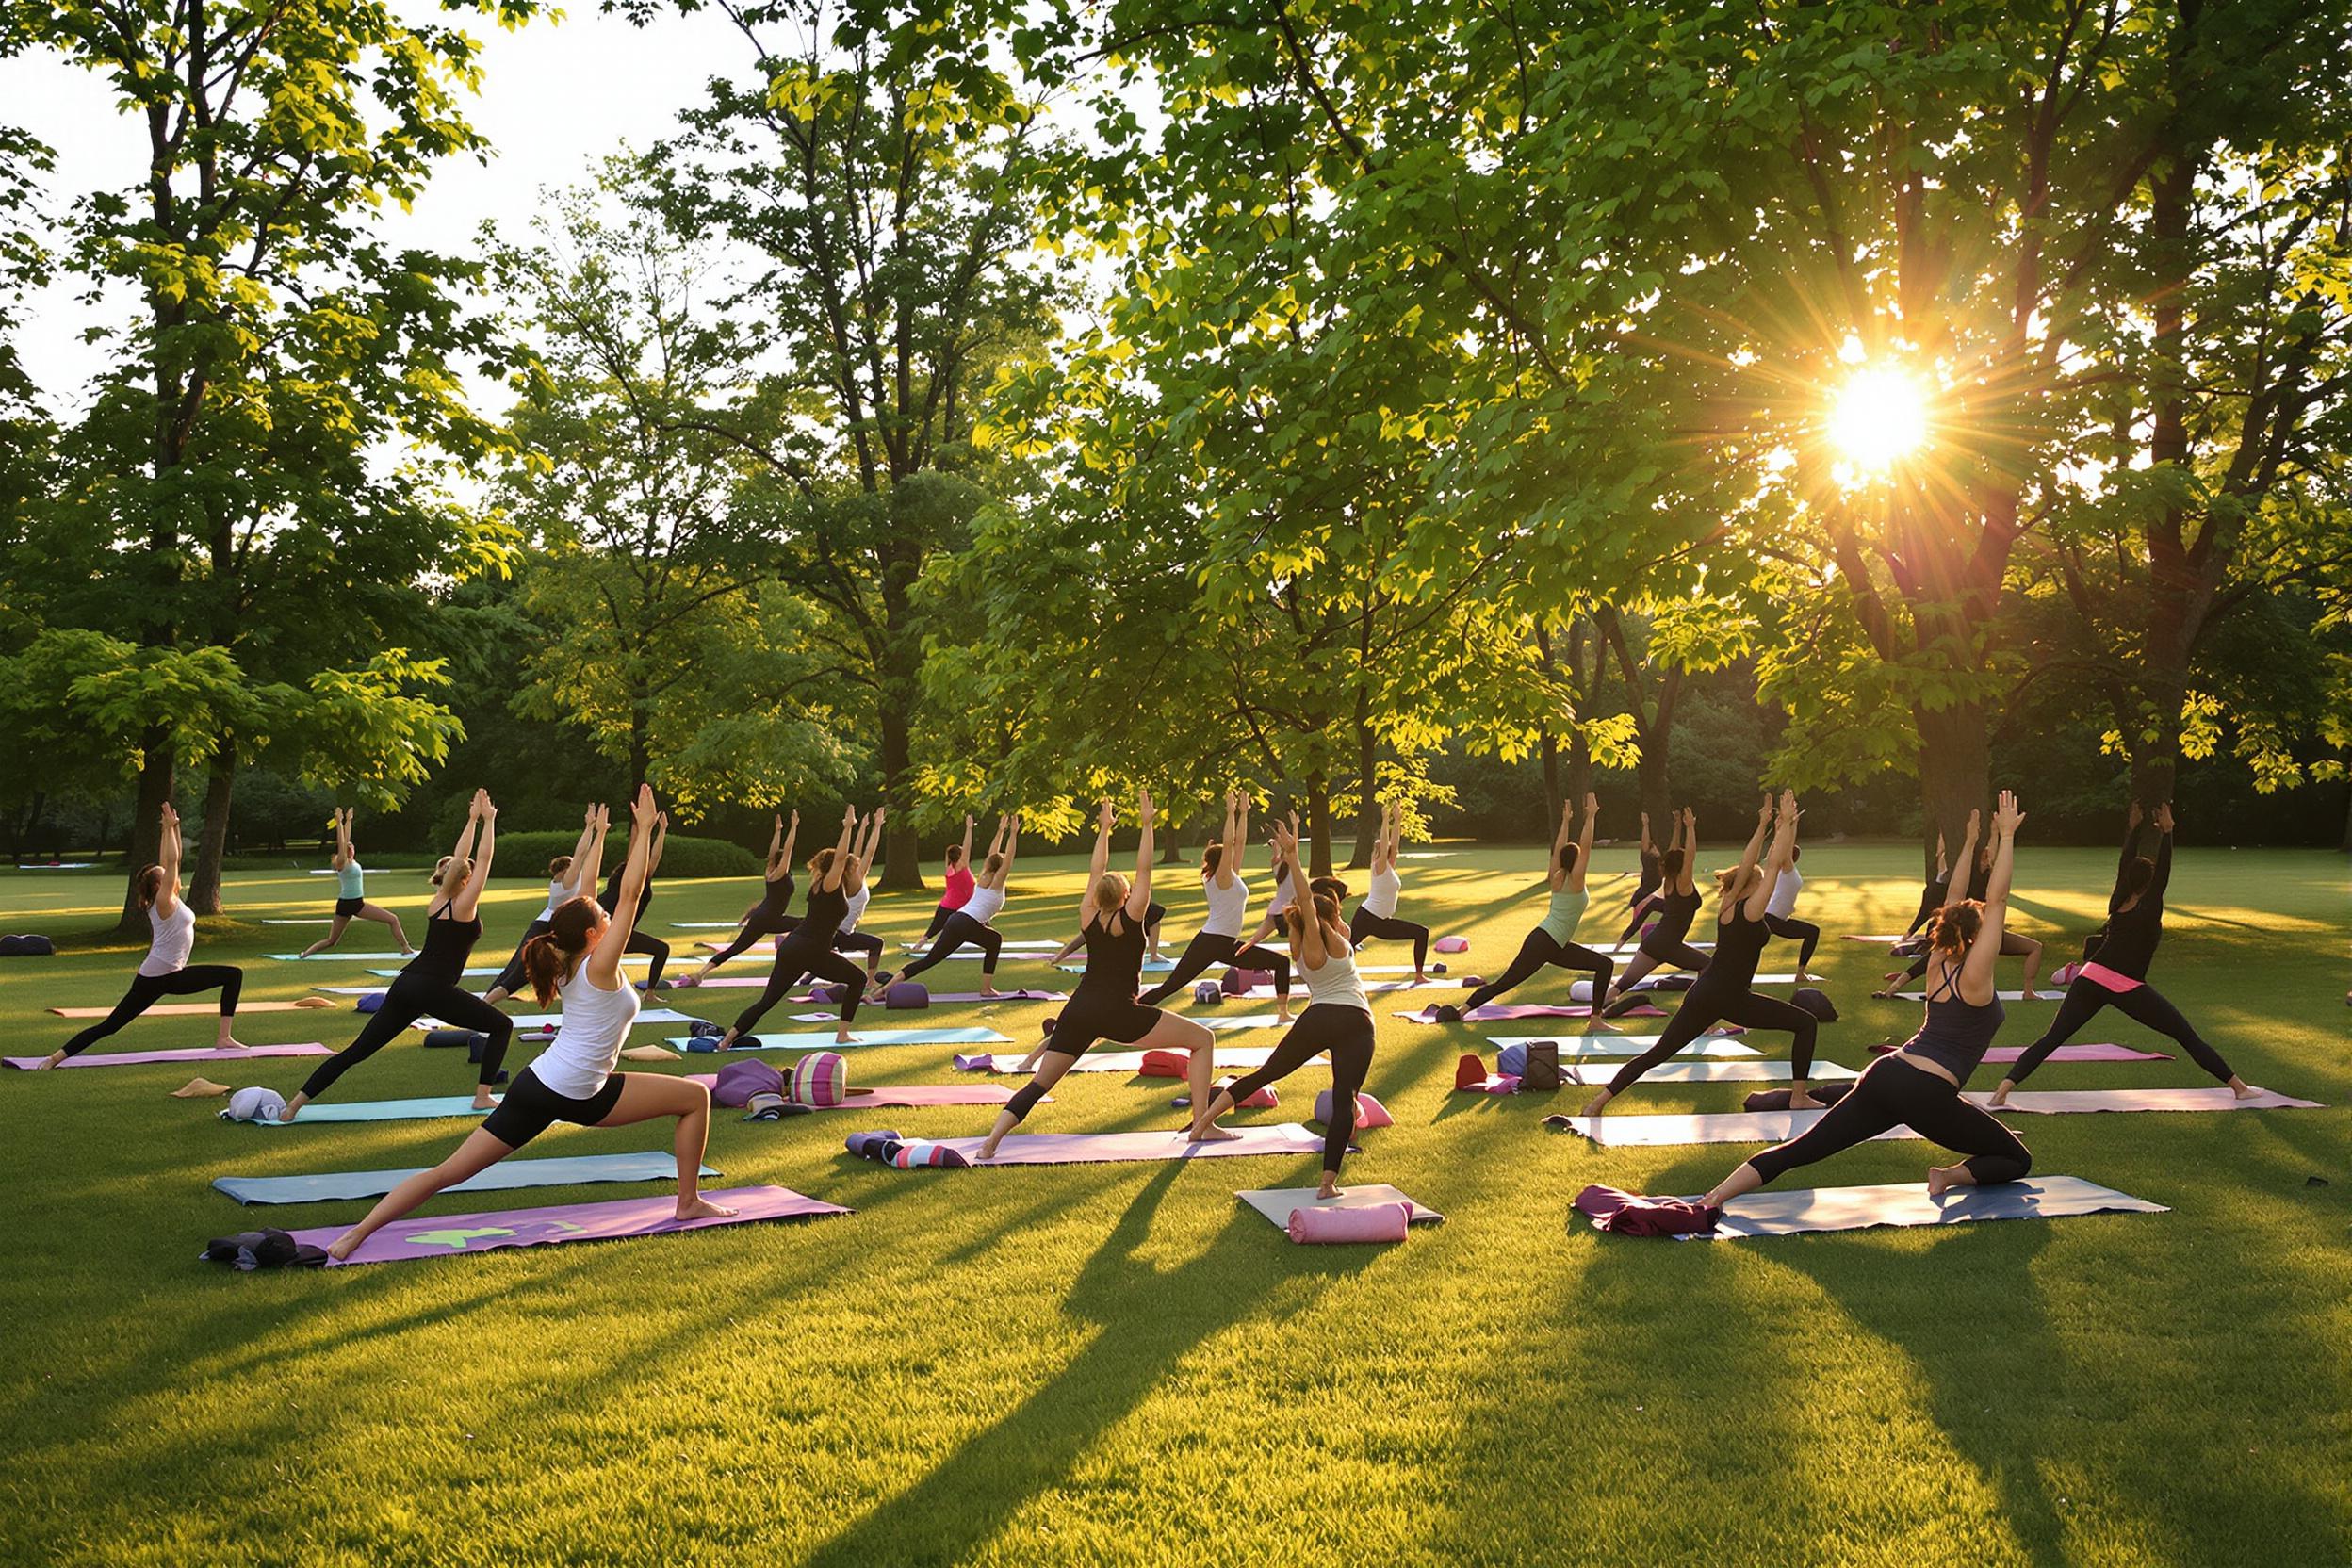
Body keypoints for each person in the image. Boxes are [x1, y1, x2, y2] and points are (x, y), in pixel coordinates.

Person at [322, 786, 733, 1261]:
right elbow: (630, 894)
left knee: (447, 1173)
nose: (606, 909)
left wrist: (598, 835)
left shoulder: (569, 957)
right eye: (603, 915)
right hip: (577, 1091)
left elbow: (591, 893)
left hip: (539, 1084)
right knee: (695, 1096)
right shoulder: (600, 965)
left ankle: (356, 1234)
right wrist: (640, 831)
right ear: (597, 933)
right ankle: (688, 1201)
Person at [1700, 793, 2035, 1204]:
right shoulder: (1977, 976)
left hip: (1885, 1075)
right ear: (1978, 937)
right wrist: (2004, 836)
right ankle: (1945, 1175)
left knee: (1801, 1151)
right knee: (2016, 1159)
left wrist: (1970, 844)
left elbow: (1954, 896)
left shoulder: (1937, 962)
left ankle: (1711, 1198)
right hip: (1925, 1092)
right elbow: (1997, 900)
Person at [977, 792, 1223, 1158]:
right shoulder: (1132, 915)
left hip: (1078, 1010)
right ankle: (1202, 1126)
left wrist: (1105, 828)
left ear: (1098, 895)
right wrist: (1146, 824)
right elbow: (1145, 870)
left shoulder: (1088, 916)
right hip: (1120, 1014)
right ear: (1126, 894)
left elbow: (1097, 871)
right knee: (1203, 1040)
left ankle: (990, 1143)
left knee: (1040, 1083)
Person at [1989, 800, 2259, 1103]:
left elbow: (2124, 864)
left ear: (2129, 880)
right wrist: (2167, 833)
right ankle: (2240, 1088)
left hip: (2090, 975)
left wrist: (2133, 829)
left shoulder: (2118, 901)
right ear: (2149, 883)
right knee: (2186, 1035)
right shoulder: (2148, 905)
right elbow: (2163, 873)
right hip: (2125, 984)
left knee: (2052, 1038)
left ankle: (2003, 1089)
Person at [279, 791, 515, 1119]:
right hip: (434, 989)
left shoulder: (438, 902)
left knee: (357, 1051)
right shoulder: (464, 907)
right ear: (466, 880)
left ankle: (293, 1105)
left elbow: (462, 857)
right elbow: (484, 859)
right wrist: (489, 820)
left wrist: (473, 819)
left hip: (407, 983)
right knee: (502, 1025)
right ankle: (483, 1096)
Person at [1582, 792, 1821, 1116]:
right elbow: (1773, 863)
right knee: (1805, 1023)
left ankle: (1597, 1103)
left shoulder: (1728, 906)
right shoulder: (1751, 912)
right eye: (1761, 882)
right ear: (1752, 887)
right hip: (1732, 998)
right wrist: (1786, 825)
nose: (1766, 881)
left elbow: (1754, 861)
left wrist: (1766, 824)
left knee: (1658, 1053)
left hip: (1703, 993)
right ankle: (1798, 1096)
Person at [1186, 822, 1374, 1191]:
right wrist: (1291, 856)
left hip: (1317, 1017)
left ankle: (1201, 1124)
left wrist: (1290, 861)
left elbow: (1303, 907)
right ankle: (1327, 1182)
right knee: (1344, 1096)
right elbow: (1305, 900)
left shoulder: (1299, 943)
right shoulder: (1329, 938)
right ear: (1328, 917)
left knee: (1265, 1074)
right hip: (1354, 1019)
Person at [40, 803, 247, 1067]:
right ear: (159, 886)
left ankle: (224, 1038)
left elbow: (172, 861)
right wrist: (171, 829)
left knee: (232, 975)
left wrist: (170, 829)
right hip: (153, 978)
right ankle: (54, 1058)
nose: (174, 877)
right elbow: (170, 862)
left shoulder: (170, 897)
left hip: (173, 975)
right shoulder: (164, 903)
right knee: (110, 1026)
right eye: (166, 877)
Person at [1431, 794, 1609, 1023]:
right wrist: (1591, 816)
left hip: (1553, 943)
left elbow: (1558, 851)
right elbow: (1586, 847)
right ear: (1576, 863)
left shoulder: (1559, 876)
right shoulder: (1575, 881)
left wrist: (1566, 821)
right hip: (1545, 942)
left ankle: (1595, 1019)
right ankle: (1460, 1011)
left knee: (1604, 965)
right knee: (1505, 983)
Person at [714, 807, 874, 1048]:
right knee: (858, 978)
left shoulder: (819, 884)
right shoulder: (831, 884)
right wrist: (848, 827)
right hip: (811, 951)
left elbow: (851, 858)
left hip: (793, 946)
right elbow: (841, 857)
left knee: (767, 1001)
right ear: (837, 868)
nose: (851, 870)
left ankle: (725, 1042)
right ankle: (842, 1033)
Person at [1137, 791, 1293, 1023]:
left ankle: (1282, 1013)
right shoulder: (1221, 878)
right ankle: (1131, 1010)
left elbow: (1238, 843)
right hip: (1210, 943)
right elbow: (1230, 842)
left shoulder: (1229, 876)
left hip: (1227, 944)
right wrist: (1230, 812)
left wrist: (1243, 813)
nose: (1232, 856)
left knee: (1281, 963)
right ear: (1221, 860)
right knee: (1172, 986)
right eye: (1227, 855)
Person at [1877, 826, 2043, 998]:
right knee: (1939, 956)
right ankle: (1902, 984)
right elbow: (1960, 895)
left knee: (2035, 948)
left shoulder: (1987, 875)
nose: (1988, 860)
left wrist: (1995, 832)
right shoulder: (1970, 877)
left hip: (1982, 929)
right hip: (1970, 930)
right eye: (1985, 856)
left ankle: (2028, 991)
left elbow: (1993, 858)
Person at [892, 815, 1020, 997]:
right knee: (995, 941)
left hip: (956, 919)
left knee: (930, 960)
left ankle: (884, 988)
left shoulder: (984, 875)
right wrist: (1013, 833)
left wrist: (1001, 830)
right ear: (1001, 867)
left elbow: (994, 853)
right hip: (965, 922)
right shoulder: (998, 881)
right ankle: (985, 989)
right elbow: (1009, 858)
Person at [484, 810, 602, 1004]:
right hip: (545, 929)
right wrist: (590, 827)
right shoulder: (567, 882)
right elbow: (580, 853)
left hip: (546, 927)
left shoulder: (561, 882)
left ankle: (487, 1000)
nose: (577, 869)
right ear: (565, 869)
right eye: (572, 867)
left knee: (518, 969)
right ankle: (486, 1003)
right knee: (520, 973)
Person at [675, 811, 800, 988]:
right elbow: (787, 850)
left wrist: (778, 830)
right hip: (769, 918)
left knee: (734, 949)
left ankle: (700, 974)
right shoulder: (780, 872)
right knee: (805, 924)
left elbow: (773, 854)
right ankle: (789, 944)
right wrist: (794, 827)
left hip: (762, 917)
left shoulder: (770, 871)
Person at [1602, 807, 1708, 1005]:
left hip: (1654, 941)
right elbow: (1690, 856)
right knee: (1707, 966)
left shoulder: (1668, 881)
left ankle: (1596, 1012)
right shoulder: (1683, 884)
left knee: (1622, 985)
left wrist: (1678, 827)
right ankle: (1698, 1006)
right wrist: (1691, 828)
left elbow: (1673, 853)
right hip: (1668, 944)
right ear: (1682, 865)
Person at [296, 808, 411, 956]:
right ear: (343, 851)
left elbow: (346, 838)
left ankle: (405, 948)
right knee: (333, 940)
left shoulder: (352, 862)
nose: (350, 846)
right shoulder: (342, 863)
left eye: (352, 846)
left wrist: (348, 821)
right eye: (347, 847)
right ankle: (305, 953)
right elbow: (342, 842)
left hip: (354, 903)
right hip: (350, 904)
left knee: (392, 919)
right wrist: (338, 823)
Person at [1348, 798, 1430, 981]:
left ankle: (1419, 975)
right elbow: (1386, 845)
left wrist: (1398, 819)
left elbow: (1394, 844)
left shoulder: (1389, 868)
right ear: (1378, 854)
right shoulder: (1379, 867)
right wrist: (1385, 819)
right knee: (1346, 948)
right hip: (1367, 917)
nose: (1390, 853)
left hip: (1382, 922)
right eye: (1383, 851)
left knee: (1421, 933)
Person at [599, 813, 670, 990]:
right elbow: (642, 852)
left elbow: (653, 858)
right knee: (662, 950)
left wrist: (661, 829)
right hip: (611, 933)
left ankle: (650, 992)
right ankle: (651, 993)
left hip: (611, 932)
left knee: (662, 949)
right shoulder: (630, 879)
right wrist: (644, 827)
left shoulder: (633, 877)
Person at [1763, 843, 1822, 980]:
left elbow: (1774, 853)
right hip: (1771, 919)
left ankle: (1800, 973)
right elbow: (1777, 852)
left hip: (1775, 919)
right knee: (1813, 932)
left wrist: (1779, 832)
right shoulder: (1785, 872)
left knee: (1812, 932)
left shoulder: (1779, 872)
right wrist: (1786, 827)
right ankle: (1800, 973)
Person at [922, 815, 977, 940]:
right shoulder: (961, 866)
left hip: (948, 905)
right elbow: (968, 847)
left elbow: (951, 853)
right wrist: (969, 828)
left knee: (933, 930)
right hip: (957, 906)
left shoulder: (950, 868)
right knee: (980, 922)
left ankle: (919, 944)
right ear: (960, 855)